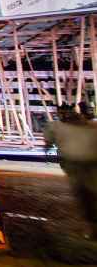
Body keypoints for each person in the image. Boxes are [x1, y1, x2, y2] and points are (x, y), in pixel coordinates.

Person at [45, 103, 97, 240]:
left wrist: (47, 150)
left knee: (85, 196)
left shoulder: (56, 126)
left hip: (78, 164)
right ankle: (92, 227)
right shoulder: (91, 125)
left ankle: (92, 228)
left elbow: (48, 142)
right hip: (87, 164)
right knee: (89, 195)